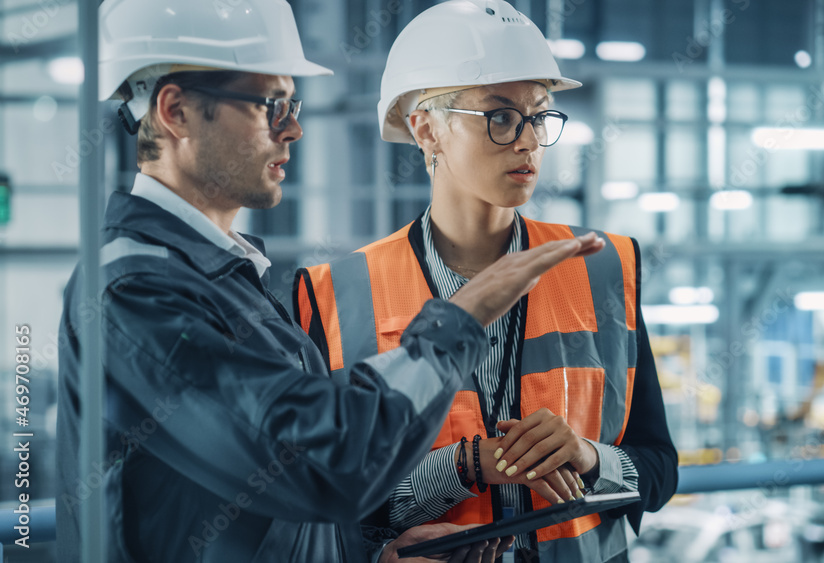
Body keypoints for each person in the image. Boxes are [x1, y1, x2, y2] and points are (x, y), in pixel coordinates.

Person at [56, 1, 601, 561]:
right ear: (177, 112)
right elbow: (320, 464)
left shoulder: (228, 278)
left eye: (292, 105)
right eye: (271, 105)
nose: (293, 128)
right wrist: (461, 319)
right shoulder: (135, 291)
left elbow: (277, 495)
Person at [294, 1, 679, 561]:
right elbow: (320, 505)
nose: (528, 140)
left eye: (539, 115)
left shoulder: (602, 267)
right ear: (427, 129)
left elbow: (659, 471)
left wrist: (591, 459)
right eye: (500, 116)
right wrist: (463, 468)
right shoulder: (333, 296)